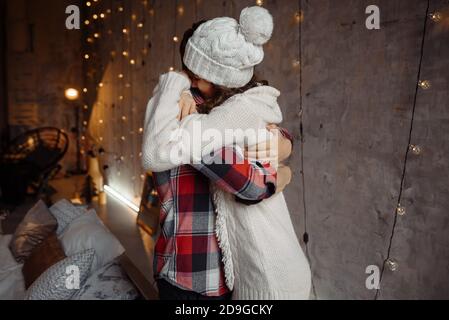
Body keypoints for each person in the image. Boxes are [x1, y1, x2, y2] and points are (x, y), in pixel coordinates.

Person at [143, 6, 310, 300]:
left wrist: (282, 143)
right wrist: (281, 175)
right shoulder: (180, 110)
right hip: (191, 273)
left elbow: (270, 133)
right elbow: (252, 187)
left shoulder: (230, 109)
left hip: (232, 273)